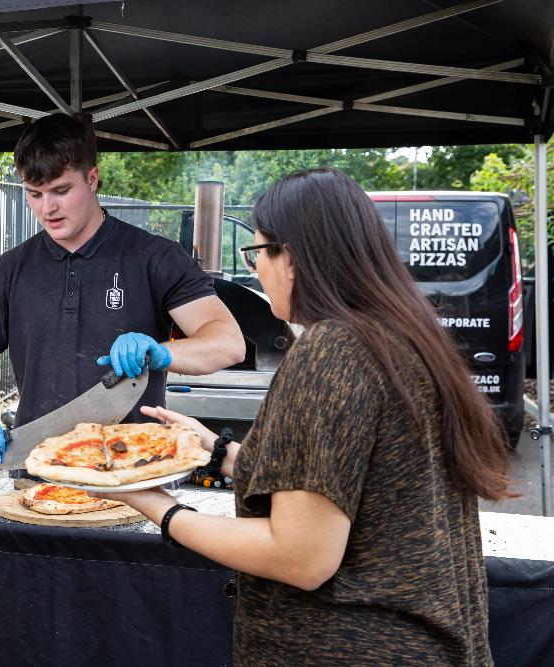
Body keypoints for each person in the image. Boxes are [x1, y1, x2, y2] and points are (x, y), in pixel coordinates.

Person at [93, 168, 516, 666]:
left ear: (290, 256)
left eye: (257, 254)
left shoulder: (332, 350)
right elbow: (346, 484)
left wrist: (153, 503)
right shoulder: (401, 334)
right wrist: (219, 452)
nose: (255, 271)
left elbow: (301, 556)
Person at [0, 114, 245, 470]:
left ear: (92, 178)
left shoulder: (155, 257)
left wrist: (161, 352)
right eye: (35, 193)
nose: (47, 208)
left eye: (61, 190)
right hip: (38, 473)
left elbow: (229, 343)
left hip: (135, 474)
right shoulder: (9, 270)